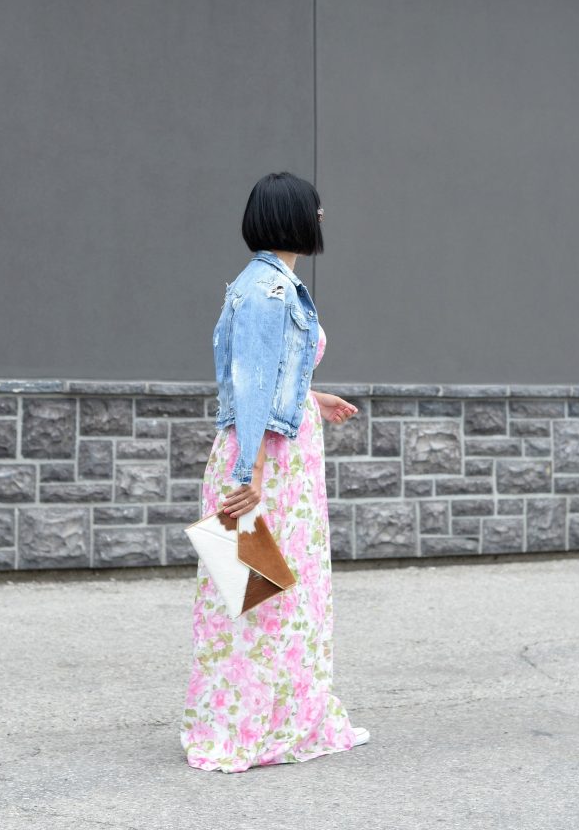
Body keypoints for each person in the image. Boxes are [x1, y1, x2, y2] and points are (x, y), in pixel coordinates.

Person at [180, 171, 370, 773]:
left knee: (263, 595)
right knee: (268, 598)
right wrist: (250, 475)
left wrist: (315, 398)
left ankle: (277, 719)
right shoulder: (271, 292)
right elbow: (252, 385)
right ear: (291, 217)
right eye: (315, 211)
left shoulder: (257, 284)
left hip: (273, 456)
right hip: (270, 466)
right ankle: (259, 729)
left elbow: (269, 374)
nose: (321, 218)